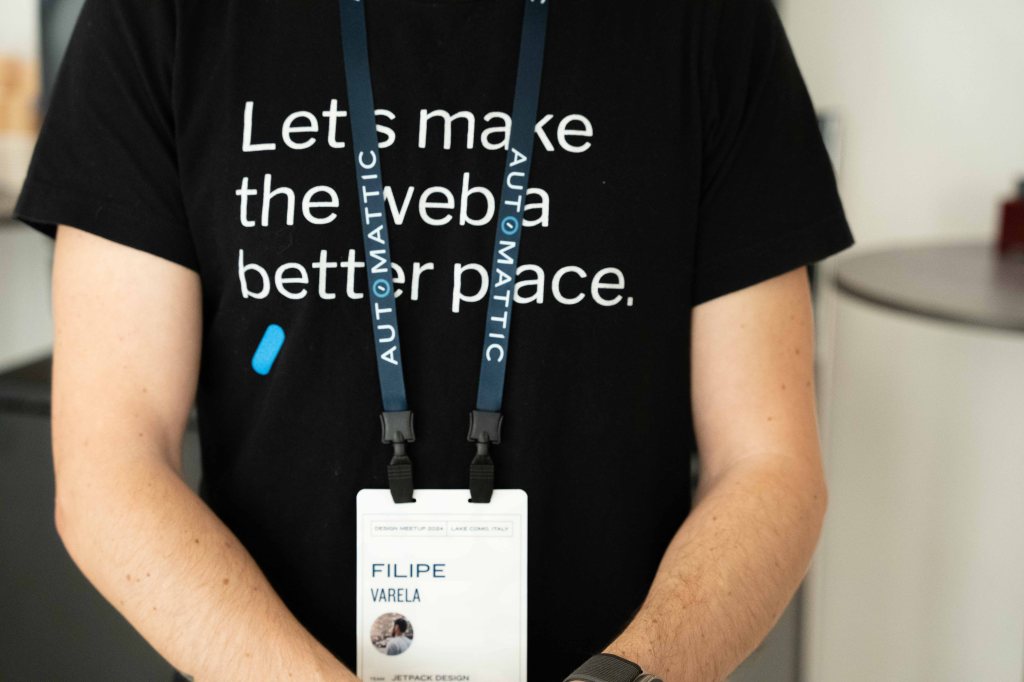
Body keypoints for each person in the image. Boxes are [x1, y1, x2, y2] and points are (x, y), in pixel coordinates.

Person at [16, 0, 853, 679]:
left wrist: (634, 676)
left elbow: (771, 463)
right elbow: (110, 464)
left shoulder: (709, 21)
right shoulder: (161, 16)